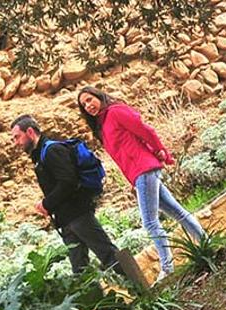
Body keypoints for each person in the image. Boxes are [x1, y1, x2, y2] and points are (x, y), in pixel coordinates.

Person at [77, 86, 206, 278]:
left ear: (99, 96)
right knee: (175, 211)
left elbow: (144, 130)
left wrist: (160, 150)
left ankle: (168, 268)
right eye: (84, 104)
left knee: (150, 222)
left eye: (89, 99)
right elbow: (123, 155)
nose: (88, 105)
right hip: (139, 174)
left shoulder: (116, 112)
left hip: (144, 169)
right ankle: (205, 242)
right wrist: (133, 182)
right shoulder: (103, 125)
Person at [10, 114, 125, 277]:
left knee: (107, 254)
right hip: (66, 220)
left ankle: (142, 290)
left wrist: (46, 204)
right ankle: (92, 300)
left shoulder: (52, 151)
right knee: (79, 269)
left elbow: (68, 182)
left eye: (17, 137)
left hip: (78, 214)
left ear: (29, 132)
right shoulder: (40, 155)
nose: (16, 143)